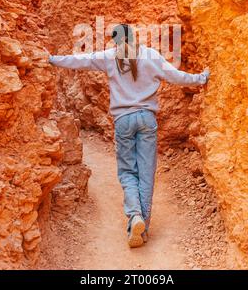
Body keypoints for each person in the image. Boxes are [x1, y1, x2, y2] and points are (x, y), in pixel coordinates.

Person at [48, 24, 210, 248]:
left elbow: (80, 60)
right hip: (146, 119)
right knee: (146, 174)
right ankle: (143, 229)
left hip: (123, 120)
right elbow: (176, 76)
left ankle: (135, 216)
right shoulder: (151, 55)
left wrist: (52, 59)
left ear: (116, 41)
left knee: (127, 172)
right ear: (135, 37)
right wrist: (201, 78)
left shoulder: (110, 57)